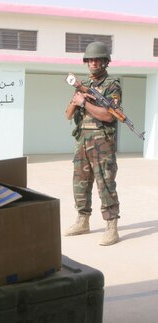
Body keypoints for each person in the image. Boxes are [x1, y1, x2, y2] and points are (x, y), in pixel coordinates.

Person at [65, 41, 121, 246]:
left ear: (106, 62)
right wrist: (75, 100)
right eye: (90, 59)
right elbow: (67, 115)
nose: (94, 62)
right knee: (80, 183)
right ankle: (83, 220)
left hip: (102, 142)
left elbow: (107, 116)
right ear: (86, 62)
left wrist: (85, 103)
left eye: (98, 59)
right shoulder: (83, 86)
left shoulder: (112, 85)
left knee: (105, 183)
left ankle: (111, 226)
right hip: (82, 140)